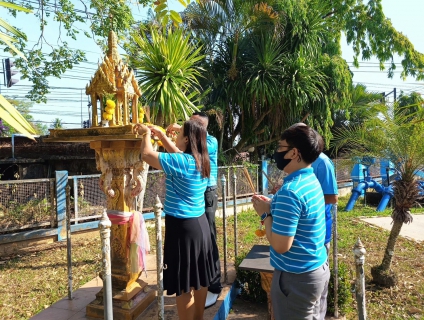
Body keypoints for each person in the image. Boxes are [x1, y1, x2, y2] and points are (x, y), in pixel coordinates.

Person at [134, 119, 217, 320]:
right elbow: (178, 155)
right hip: (200, 227)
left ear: (187, 139)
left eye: (179, 135)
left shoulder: (182, 163)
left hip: (182, 229)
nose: (175, 137)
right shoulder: (200, 160)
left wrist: (145, 134)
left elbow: (146, 155)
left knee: (184, 285)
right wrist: (162, 137)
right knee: (200, 277)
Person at [252, 125, 330, 320]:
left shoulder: (291, 191)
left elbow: (280, 245)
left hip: (296, 279)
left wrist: (264, 214)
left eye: (280, 147)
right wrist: (273, 205)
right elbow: (302, 216)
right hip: (315, 269)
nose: (277, 152)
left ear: (294, 153)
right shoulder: (310, 181)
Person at [167, 112, 222, 308]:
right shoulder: (198, 142)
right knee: (201, 242)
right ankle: (199, 281)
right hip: (199, 195)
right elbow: (178, 154)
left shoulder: (211, 141)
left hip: (206, 193)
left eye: (190, 124)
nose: (187, 125)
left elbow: (182, 153)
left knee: (207, 240)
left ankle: (213, 285)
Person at [289, 123, 338, 320]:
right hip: (300, 229)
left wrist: (307, 199)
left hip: (318, 230)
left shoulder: (323, 162)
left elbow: (333, 197)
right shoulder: (295, 160)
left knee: (316, 288)